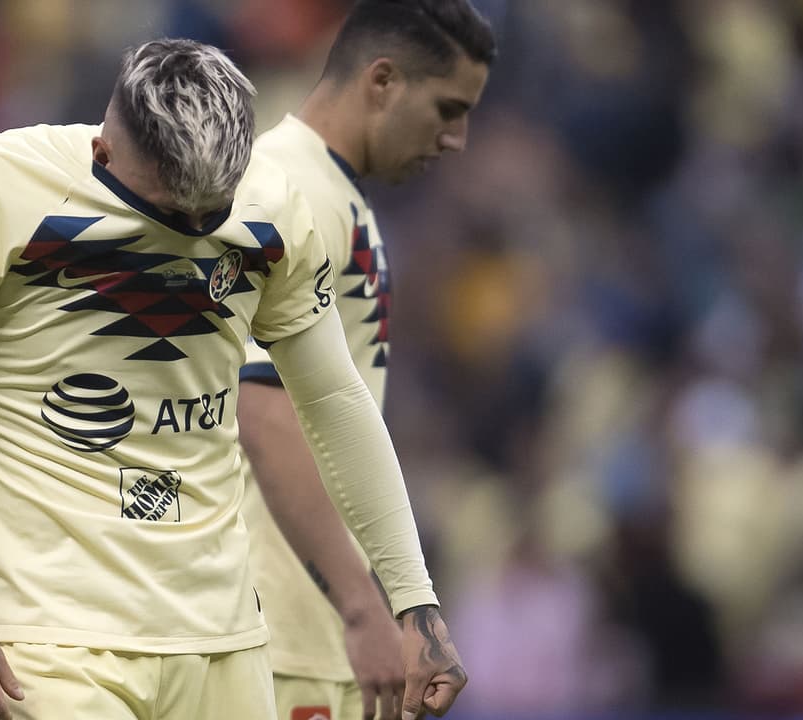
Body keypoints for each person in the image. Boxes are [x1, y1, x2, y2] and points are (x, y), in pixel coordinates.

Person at [0, 38, 463, 720]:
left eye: (214, 212)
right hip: (51, 645)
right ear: (106, 150)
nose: (196, 229)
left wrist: (414, 600)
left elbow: (333, 398)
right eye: (173, 212)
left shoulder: (271, 206)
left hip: (227, 640)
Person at [237, 2, 495, 719]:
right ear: (382, 81)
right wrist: (363, 606)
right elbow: (263, 409)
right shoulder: (291, 191)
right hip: (282, 631)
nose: (456, 139)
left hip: (305, 626)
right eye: (447, 109)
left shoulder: (327, 191)